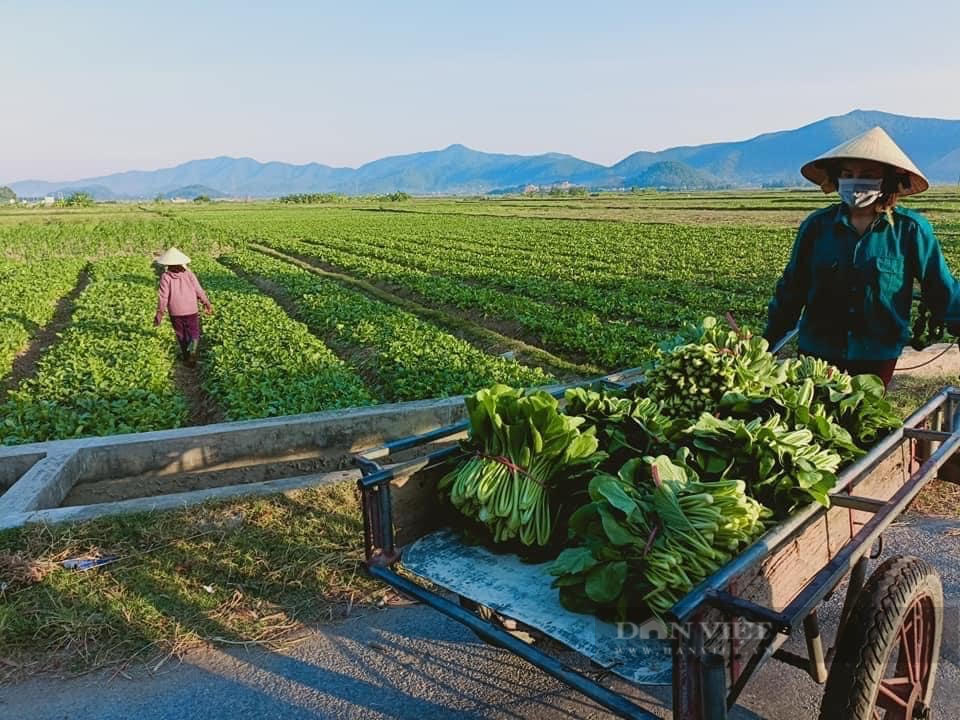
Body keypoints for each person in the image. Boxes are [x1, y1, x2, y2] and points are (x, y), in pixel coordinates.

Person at [763, 126, 960, 388]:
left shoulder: (910, 229)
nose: (856, 182)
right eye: (848, 174)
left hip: (877, 351)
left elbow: (939, 287)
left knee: (863, 418)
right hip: (819, 349)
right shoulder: (817, 227)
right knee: (814, 418)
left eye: (868, 175)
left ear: (887, 181)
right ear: (837, 178)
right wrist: (768, 343)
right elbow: (792, 288)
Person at [153, 247, 213, 366]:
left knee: (181, 334)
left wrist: (159, 314)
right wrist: (206, 303)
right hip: (191, 309)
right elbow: (198, 290)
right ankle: (193, 353)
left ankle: (186, 357)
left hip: (175, 311)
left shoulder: (166, 277)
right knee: (194, 332)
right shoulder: (189, 274)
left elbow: (163, 297)